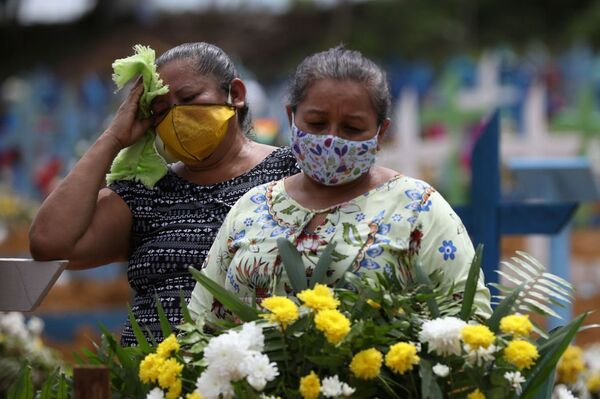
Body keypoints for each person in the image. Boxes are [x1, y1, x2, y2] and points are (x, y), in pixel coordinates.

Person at [189, 46, 492, 322]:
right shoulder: (252, 207)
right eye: (317, 123)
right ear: (291, 117)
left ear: (380, 131)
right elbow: (203, 322)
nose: (332, 139)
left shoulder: (416, 207)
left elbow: (467, 319)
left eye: (352, 127)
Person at [28, 42, 299, 346]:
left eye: (188, 98)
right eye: (160, 111)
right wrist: (113, 137)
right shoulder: (147, 195)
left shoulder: (291, 172)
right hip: (152, 380)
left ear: (235, 94)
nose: (175, 116)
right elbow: (48, 243)